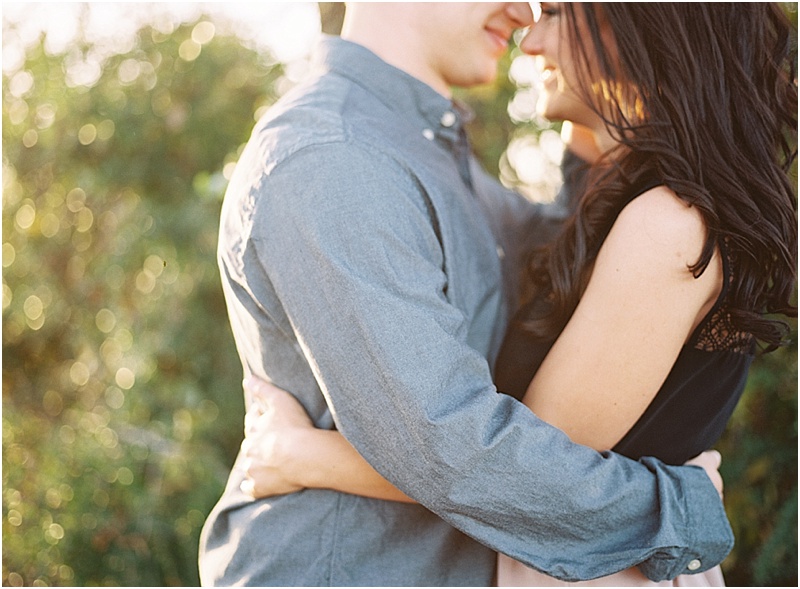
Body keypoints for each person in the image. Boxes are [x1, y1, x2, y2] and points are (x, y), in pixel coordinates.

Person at [198, 3, 739, 586]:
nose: (522, 13)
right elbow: (452, 447)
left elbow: (577, 264)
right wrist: (679, 509)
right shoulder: (336, 157)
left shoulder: (438, 160)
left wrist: (617, 96)